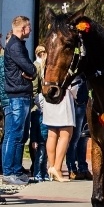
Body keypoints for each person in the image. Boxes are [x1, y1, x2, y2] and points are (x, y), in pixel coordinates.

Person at [2, 16, 36, 185]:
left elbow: (30, 70)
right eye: (28, 27)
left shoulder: (18, 45)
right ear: (22, 28)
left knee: (20, 135)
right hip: (17, 95)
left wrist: (30, 72)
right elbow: (30, 67)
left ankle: (16, 169)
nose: (30, 29)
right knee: (14, 134)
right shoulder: (15, 47)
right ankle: (9, 172)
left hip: (22, 94)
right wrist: (30, 71)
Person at [40, 71, 75, 182]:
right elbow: (74, 87)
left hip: (49, 99)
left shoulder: (46, 65)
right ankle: (57, 168)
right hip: (62, 97)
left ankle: (51, 166)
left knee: (52, 134)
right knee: (65, 134)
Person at [29, 45, 49, 183]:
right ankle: (36, 169)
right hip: (37, 105)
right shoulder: (37, 66)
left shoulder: (43, 66)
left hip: (42, 106)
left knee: (44, 153)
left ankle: (42, 171)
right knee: (38, 150)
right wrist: (38, 101)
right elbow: (35, 87)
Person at [66, 75, 91, 180]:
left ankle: (83, 167)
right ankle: (71, 168)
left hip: (88, 102)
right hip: (79, 102)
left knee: (84, 138)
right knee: (74, 137)